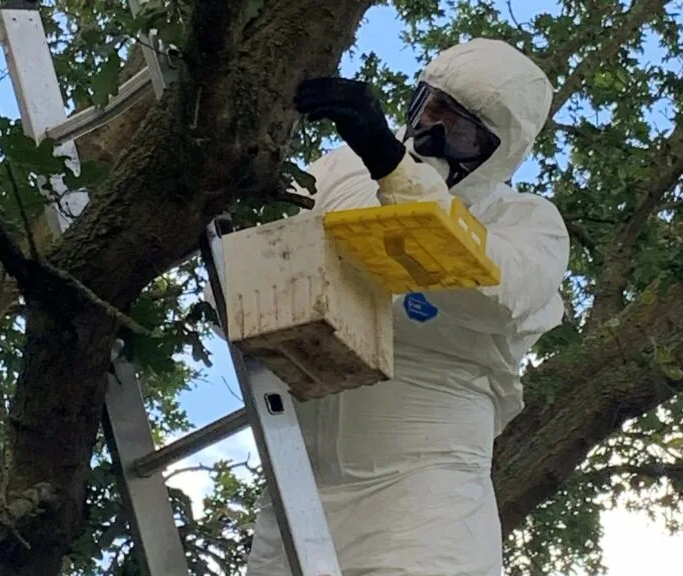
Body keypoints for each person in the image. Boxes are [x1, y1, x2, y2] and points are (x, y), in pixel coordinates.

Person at [241, 38, 571, 575]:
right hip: (299, 487)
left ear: (497, 153)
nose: (431, 136)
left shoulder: (525, 222)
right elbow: (277, 260)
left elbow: (495, 290)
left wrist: (392, 167)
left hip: (425, 489)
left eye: (460, 132)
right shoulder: (343, 170)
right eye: (432, 111)